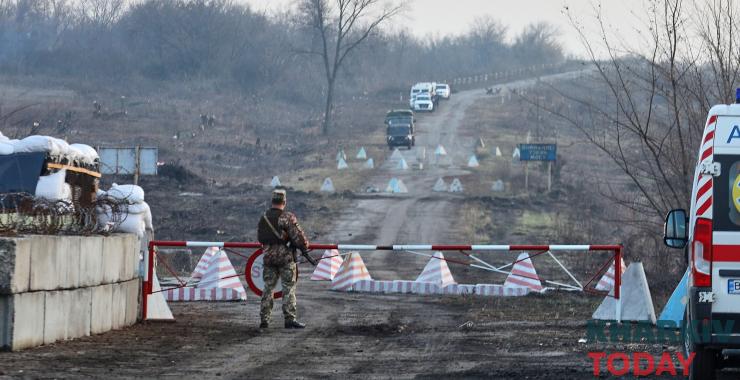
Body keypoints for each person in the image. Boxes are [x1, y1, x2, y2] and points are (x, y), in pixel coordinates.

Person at [257, 189, 309, 329]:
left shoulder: (264, 217)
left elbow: (260, 238)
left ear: (272, 201)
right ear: (284, 202)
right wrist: (304, 247)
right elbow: (299, 237)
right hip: (286, 258)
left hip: (268, 258)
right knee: (288, 288)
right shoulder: (287, 217)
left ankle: (264, 319)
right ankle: (289, 319)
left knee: (268, 288)